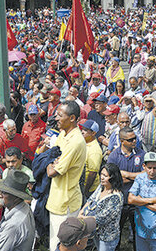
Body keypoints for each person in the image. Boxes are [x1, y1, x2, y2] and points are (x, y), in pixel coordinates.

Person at [46, 101, 87, 251]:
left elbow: (52, 171)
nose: (56, 118)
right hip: (57, 198)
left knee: (61, 245)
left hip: (66, 202)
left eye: (60, 115)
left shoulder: (75, 142)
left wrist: (49, 162)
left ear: (72, 118)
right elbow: (53, 155)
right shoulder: (63, 133)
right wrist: (51, 160)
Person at [107, 126, 145, 251]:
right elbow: (112, 179)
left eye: (135, 138)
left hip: (136, 201)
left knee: (138, 233)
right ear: (122, 141)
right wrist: (135, 177)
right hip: (119, 201)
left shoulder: (141, 153)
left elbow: (145, 176)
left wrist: (126, 174)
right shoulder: (114, 156)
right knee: (116, 231)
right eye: (130, 140)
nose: (134, 141)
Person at [128, 152, 156, 251]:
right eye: (149, 168)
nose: (152, 171)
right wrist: (153, 200)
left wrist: (141, 202)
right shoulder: (140, 178)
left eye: (155, 168)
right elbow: (130, 199)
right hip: (140, 232)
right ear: (144, 166)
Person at [80, 163, 124, 251]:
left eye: (105, 176)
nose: (102, 177)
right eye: (101, 174)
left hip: (107, 237)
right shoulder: (101, 186)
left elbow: (102, 218)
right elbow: (90, 200)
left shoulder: (116, 197)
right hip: (96, 233)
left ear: (113, 177)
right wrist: (81, 211)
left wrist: (83, 218)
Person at [0, 170, 35, 251]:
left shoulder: (12, 226)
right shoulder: (23, 206)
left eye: (4, 192)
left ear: (16, 197)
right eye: (0, 191)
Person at [80, 119, 103, 198]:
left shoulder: (95, 150)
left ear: (93, 133)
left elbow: (92, 173)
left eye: (86, 130)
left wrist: (85, 191)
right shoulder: (84, 142)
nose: (82, 131)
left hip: (89, 189)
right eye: (82, 129)